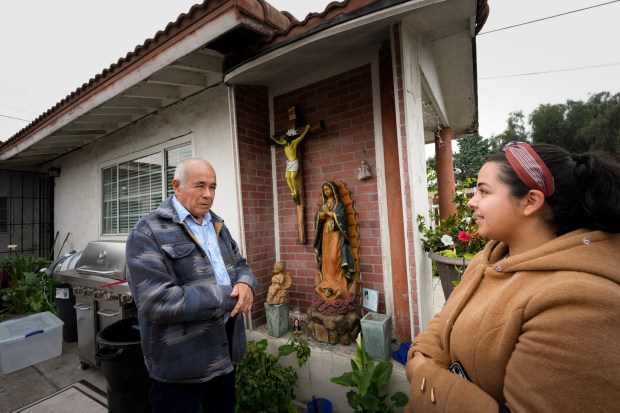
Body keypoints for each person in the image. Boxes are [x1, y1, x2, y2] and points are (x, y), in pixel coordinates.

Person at [405, 142, 620, 413]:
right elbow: (448, 316)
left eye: (483, 191)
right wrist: (424, 355)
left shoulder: (579, 301)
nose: (471, 201)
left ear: (530, 202)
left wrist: (423, 376)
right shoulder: (490, 258)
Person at [126, 158, 258, 413]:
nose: (208, 195)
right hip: (181, 367)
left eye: (213, 187)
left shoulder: (218, 225)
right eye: (200, 185)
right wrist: (227, 296)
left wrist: (245, 283)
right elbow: (156, 300)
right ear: (177, 186)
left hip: (225, 355)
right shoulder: (147, 232)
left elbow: (241, 264)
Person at [313, 181, 356, 300]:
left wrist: (330, 214)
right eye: (324, 190)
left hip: (336, 234)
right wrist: (321, 215)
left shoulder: (339, 204)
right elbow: (317, 217)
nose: (326, 192)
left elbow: (342, 217)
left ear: (333, 190)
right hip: (326, 234)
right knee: (326, 258)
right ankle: (327, 281)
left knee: (334, 257)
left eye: (328, 189)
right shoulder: (323, 204)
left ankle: (338, 282)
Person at [270, 124, 311, 201]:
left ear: (287, 139)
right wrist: (273, 138)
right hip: (289, 163)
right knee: (287, 177)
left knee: (292, 177)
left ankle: (296, 191)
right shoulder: (284, 144)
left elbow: (301, 137)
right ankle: (292, 190)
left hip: (294, 162)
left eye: (283, 140)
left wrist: (306, 129)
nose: (282, 142)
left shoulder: (294, 143)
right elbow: (277, 141)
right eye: (282, 141)